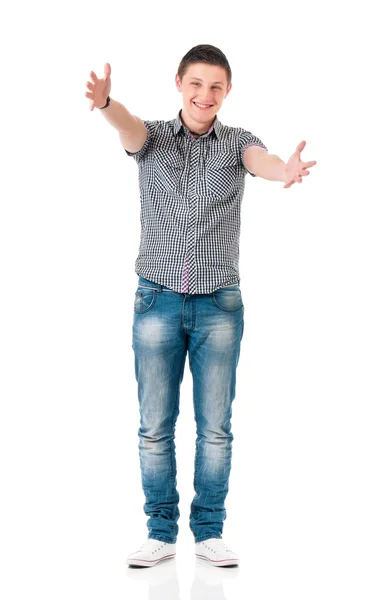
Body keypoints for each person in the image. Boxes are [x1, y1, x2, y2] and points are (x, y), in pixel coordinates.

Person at [85, 44, 316, 568]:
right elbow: (126, 126)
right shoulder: (154, 138)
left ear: (227, 91)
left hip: (219, 307)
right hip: (157, 302)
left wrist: (286, 172)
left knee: (215, 426)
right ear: (179, 84)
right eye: (196, 84)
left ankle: (209, 531)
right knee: (154, 425)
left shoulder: (238, 142)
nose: (204, 95)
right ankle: (160, 532)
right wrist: (105, 104)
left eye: (215, 86)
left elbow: (266, 162)